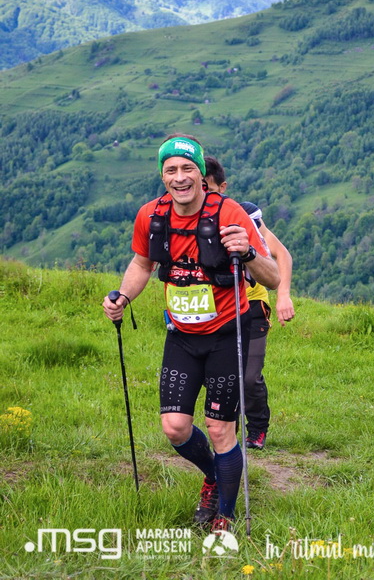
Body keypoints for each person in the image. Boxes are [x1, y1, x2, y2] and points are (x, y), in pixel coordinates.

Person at [103, 134, 279, 532]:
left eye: (187, 169)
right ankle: (215, 475)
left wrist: (248, 252)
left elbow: (272, 275)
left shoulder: (230, 212)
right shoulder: (151, 215)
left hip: (227, 335)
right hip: (181, 336)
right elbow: (142, 264)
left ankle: (225, 516)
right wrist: (123, 297)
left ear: (201, 174)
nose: (179, 177)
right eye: (171, 170)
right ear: (162, 175)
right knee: (175, 427)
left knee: (220, 429)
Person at [204, 156, 295, 450]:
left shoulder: (244, 215)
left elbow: (281, 253)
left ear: (223, 187)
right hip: (213, 310)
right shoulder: (183, 220)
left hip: (252, 306)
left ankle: (256, 428)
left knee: (249, 377)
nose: (203, 195)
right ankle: (226, 429)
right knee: (216, 376)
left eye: (208, 188)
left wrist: (283, 295)